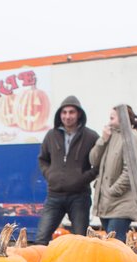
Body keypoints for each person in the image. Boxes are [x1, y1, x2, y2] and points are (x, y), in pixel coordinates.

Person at [34, 95, 99, 244]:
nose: (67, 116)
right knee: (41, 237)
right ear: (59, 115)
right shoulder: (51, 135)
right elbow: (42, 159)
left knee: (80, 240)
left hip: (79, 196)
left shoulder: (91, 136)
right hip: (54, 195)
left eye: (71, 112)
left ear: (79, 114)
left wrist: (82, 178)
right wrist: (50, 175)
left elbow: (99, 164)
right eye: (64, 112)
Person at [89, 105, 137, 243]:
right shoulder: (110, 136)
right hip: (107, 204)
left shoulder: (131, 137)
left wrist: (112, 191)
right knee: (110, 243)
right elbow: (93, 160)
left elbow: (130, 171)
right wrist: (103, 140)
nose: (109, 121)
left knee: (116, 243)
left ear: (123, 118)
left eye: (112, 118)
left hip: (120, 203)